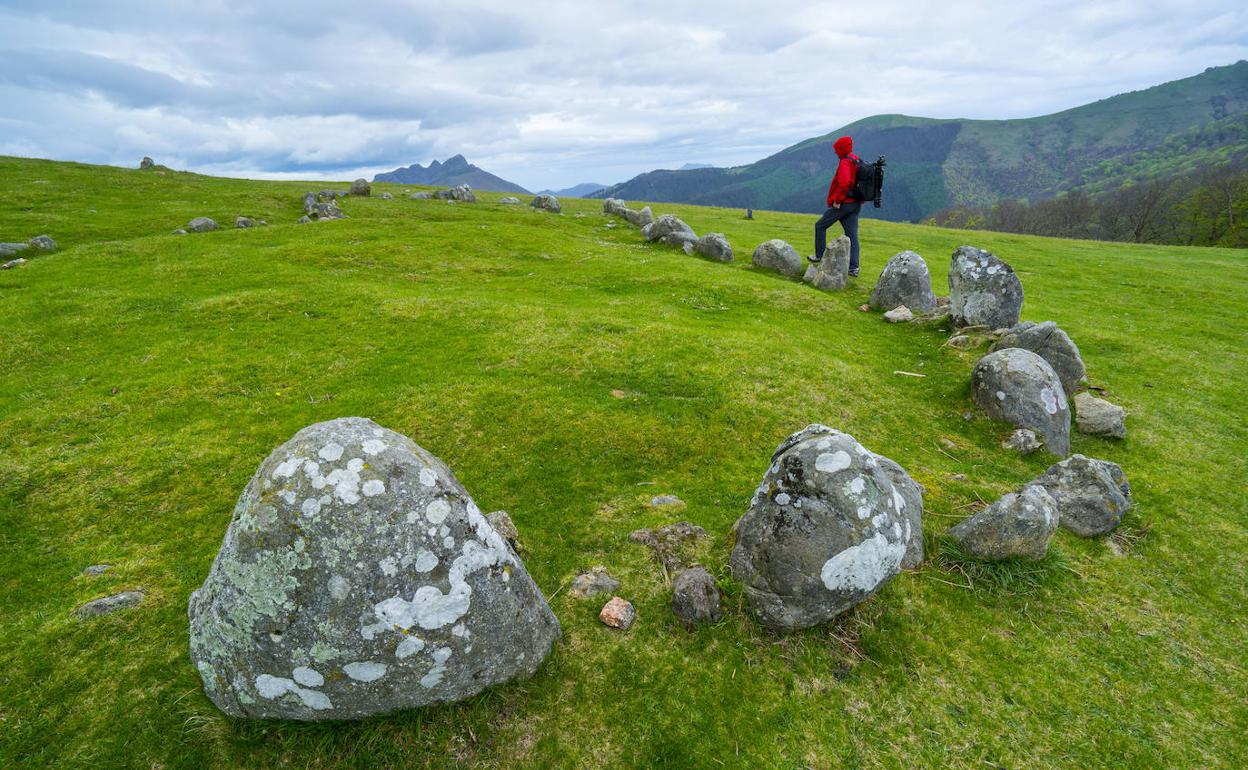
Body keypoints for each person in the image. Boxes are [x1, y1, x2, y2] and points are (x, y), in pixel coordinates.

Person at [812, 135, 862, 276]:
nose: (835, 152)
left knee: (820, 225)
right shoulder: (856, 159)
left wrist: (838, 200)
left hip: (844, 204)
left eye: (836, 149)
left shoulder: (845, 162)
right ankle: (854, 268)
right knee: (852, 235)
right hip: (856, 204)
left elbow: (845, 183)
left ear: (841, 148)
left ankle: (820, 256)